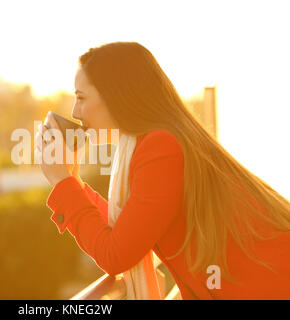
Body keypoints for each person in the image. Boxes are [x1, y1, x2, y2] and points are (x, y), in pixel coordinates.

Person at [35, 41, 290, 299]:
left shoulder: (160, 147)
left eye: (81, 97)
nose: (75, 112)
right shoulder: (157, 141)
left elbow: (116, 254)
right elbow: (128, 229)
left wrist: (62, 183)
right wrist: (72, 181)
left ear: (116, 95)